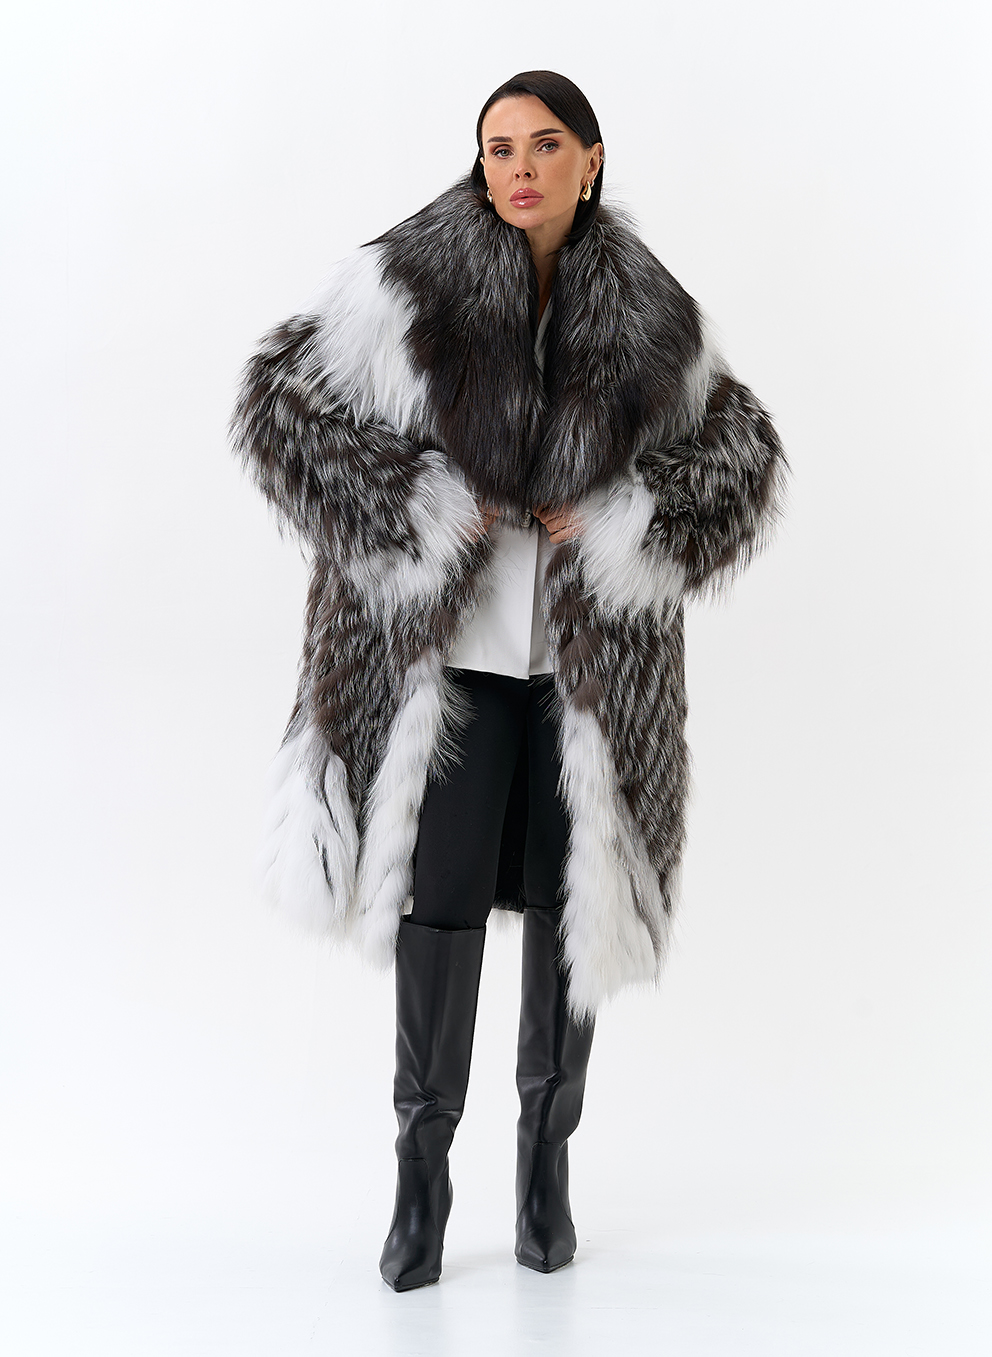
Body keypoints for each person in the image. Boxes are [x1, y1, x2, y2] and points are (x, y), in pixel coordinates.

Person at [231, 70, 786, 1292]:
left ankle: (544, 1166)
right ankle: (420, 1177)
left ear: (590, 160)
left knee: (566, 903)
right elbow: (276, 409)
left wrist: (629, 513)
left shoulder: (654, 316)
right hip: (445, 669)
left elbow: (744, 459)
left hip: (583, 678)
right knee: (435, 906)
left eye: (542, 145)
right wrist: (424, 502)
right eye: (497, 147)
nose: (517, 168)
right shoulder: (405, 284)